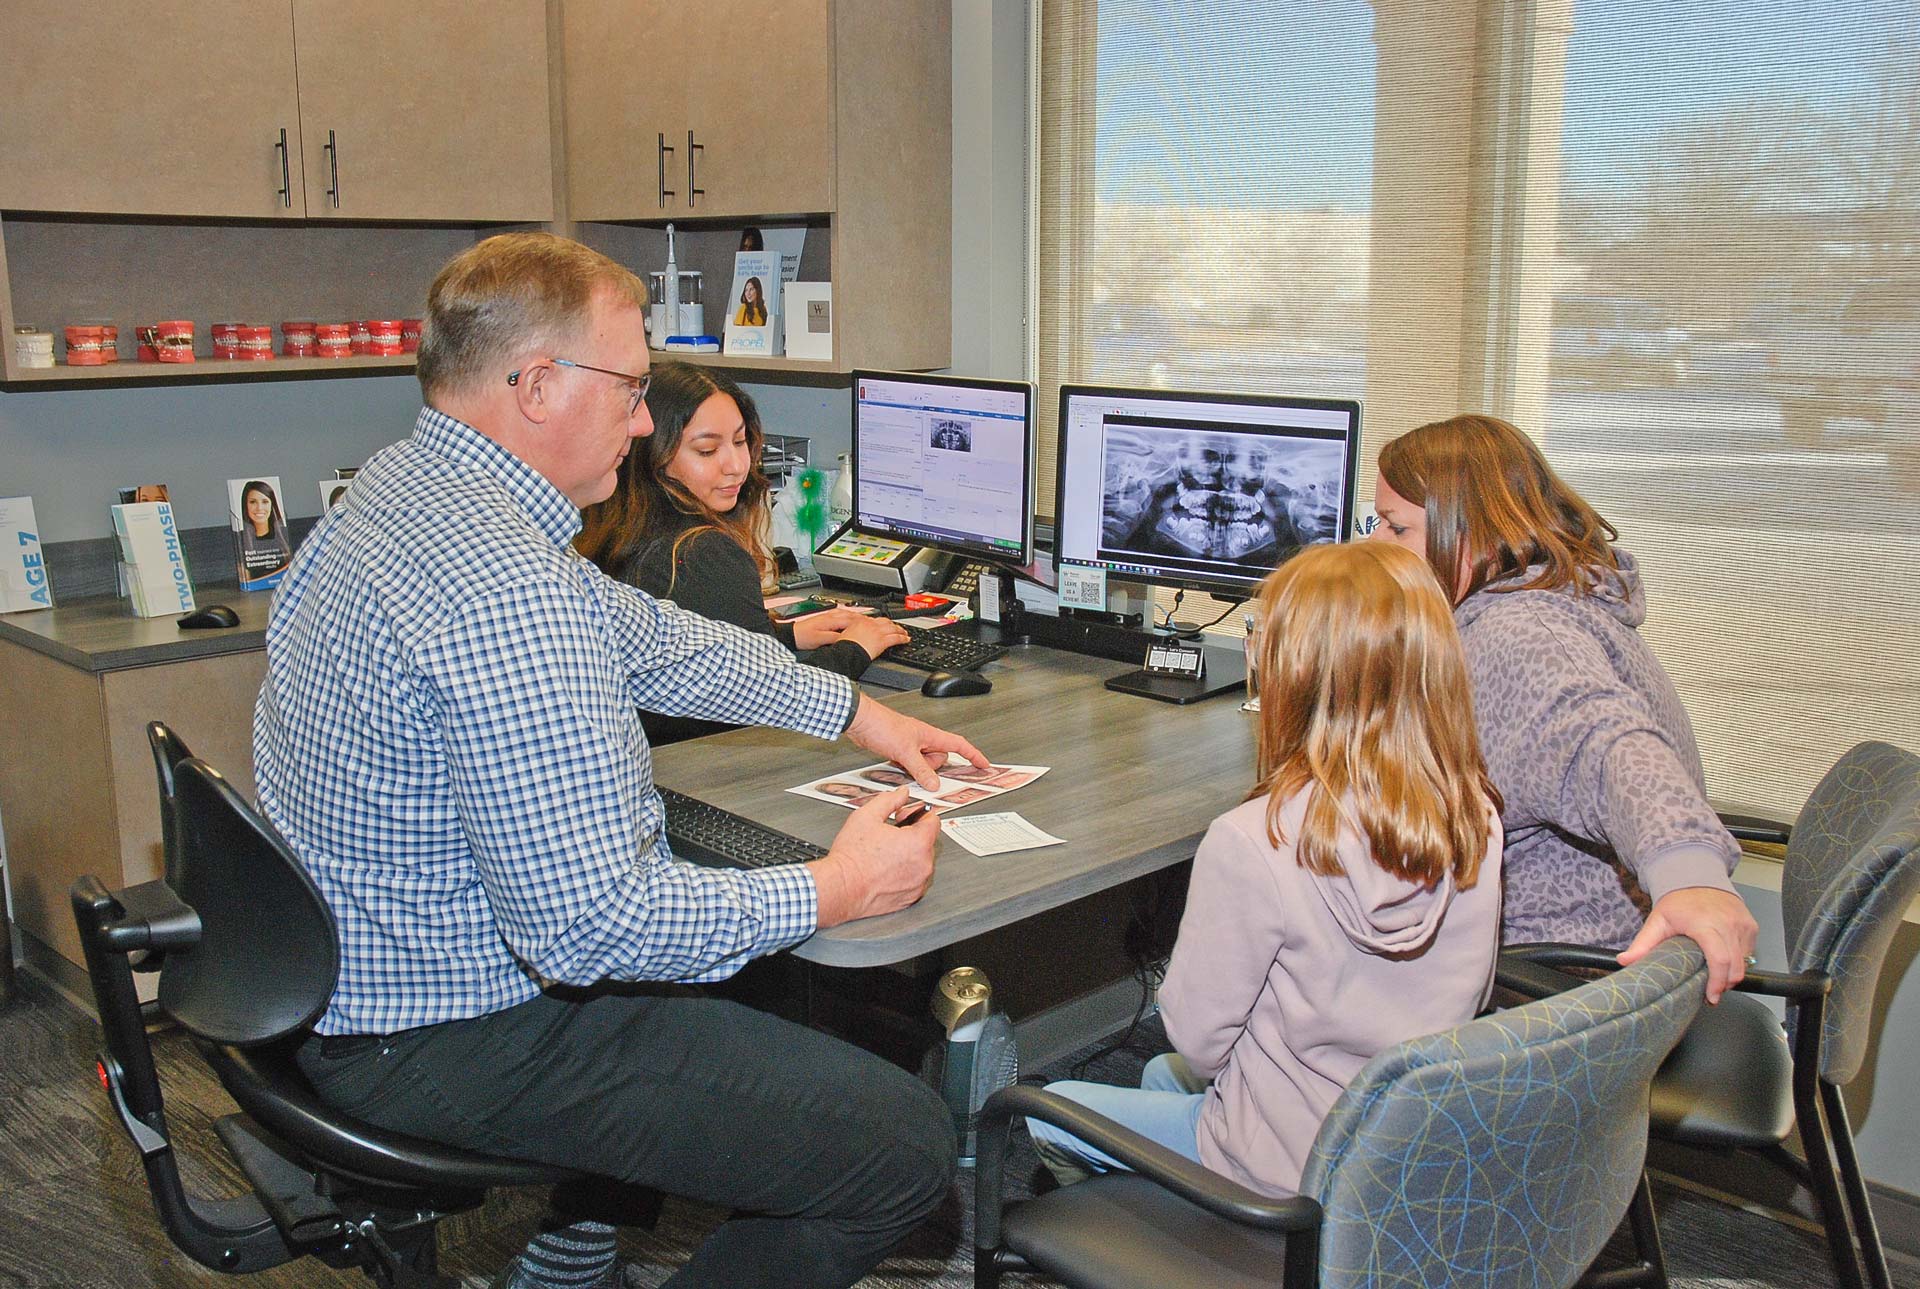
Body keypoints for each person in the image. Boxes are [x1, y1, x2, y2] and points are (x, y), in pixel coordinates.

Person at [255, 232, 987, 1289]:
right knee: (902, 1148)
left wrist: (857, 713)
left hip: (349, 974)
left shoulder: (404, 490)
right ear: (537, 385)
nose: (645, 423)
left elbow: (652, 637)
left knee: (751, 988)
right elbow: (591, 927)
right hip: (451, 1032)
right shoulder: (507, 591)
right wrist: (840, 884)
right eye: (633, 389)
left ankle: (573, 1248)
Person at [1026, 542, 1503, 1196]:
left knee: (1049, 1111)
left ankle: (1186, 1232)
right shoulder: (1475, 815)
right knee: (1161, 1075)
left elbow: (1199, 1041)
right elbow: (1473, 996)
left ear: (1293, 674)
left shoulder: (1254, 840)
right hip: (1405, 1153)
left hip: (1279, 1172)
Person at [1371, 413, 1758, 1002]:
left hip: (1553, 989)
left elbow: (1609, 747)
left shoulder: (1522, 635)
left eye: (1396, 528)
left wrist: (1691, 876)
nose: (1375, 544)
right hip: (1587, 967)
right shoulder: (1556, 592)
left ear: (1472, 537)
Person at [578, 362, 907, 744]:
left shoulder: (609, 531)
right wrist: (855, 649)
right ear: (653, 456)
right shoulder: (701, 551)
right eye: (707, 450)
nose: (736, 466)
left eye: (739, 442)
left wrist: (785, 635)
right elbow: (762, 703)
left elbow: (682, 653)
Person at [235, 479, 292, 584]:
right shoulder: (240, 540)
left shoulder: (284, 535)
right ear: (245, 505)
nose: (259, 508)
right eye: (253, 502)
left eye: (265, 502)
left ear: (272, 505)